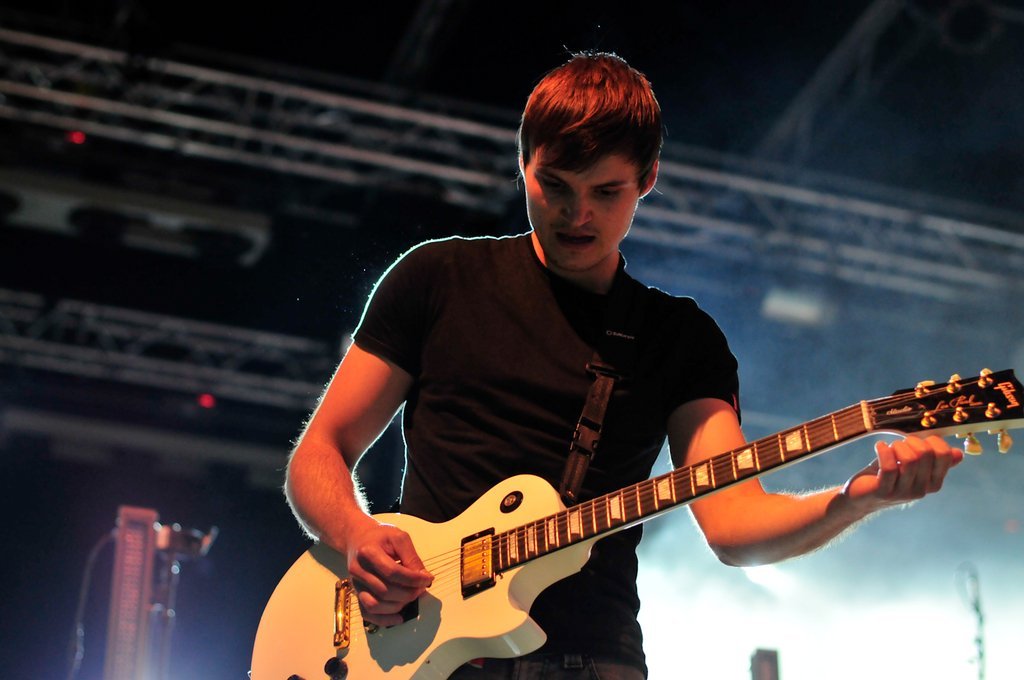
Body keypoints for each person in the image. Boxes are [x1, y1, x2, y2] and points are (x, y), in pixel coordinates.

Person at [284, 52, 961, 679]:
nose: (577, 214)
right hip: (416, 649)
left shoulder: (679, 339)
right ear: (523, 163)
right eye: (554, 185)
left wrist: (856, 500)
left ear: (648, 180)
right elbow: (320, 451)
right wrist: (358, 535)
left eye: (607, 192)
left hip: (589, 658)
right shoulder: (437, 278)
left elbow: (733, 526)